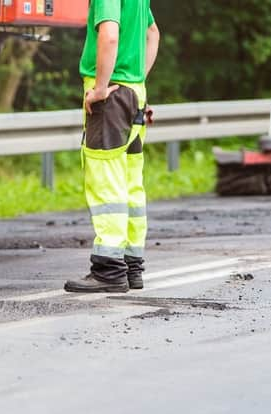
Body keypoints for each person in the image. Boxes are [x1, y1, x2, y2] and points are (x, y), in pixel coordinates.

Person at [65, 0, 160, 293]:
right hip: (134, 93)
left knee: (106, 182)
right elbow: (152, 33)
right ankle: (131, 265)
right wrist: (137, 83)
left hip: (112, 95)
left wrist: (101, 88)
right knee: (130, 184)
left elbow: (109, 35)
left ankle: (108, 269)